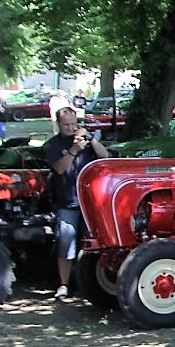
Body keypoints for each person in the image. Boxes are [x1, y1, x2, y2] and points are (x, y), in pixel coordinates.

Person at [45, 107, 109, 299]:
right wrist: (74, 150)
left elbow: (105, 157)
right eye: (66, 125)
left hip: (90, 202)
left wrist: (91, 139)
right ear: (58, 125)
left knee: (97, 242)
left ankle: (96, 282)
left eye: (73, 124)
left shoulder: (86, 141)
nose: (70, 128)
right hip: (67, 201)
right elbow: (59, 168)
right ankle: (63, 284)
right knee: (66, 241)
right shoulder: (53, 145)